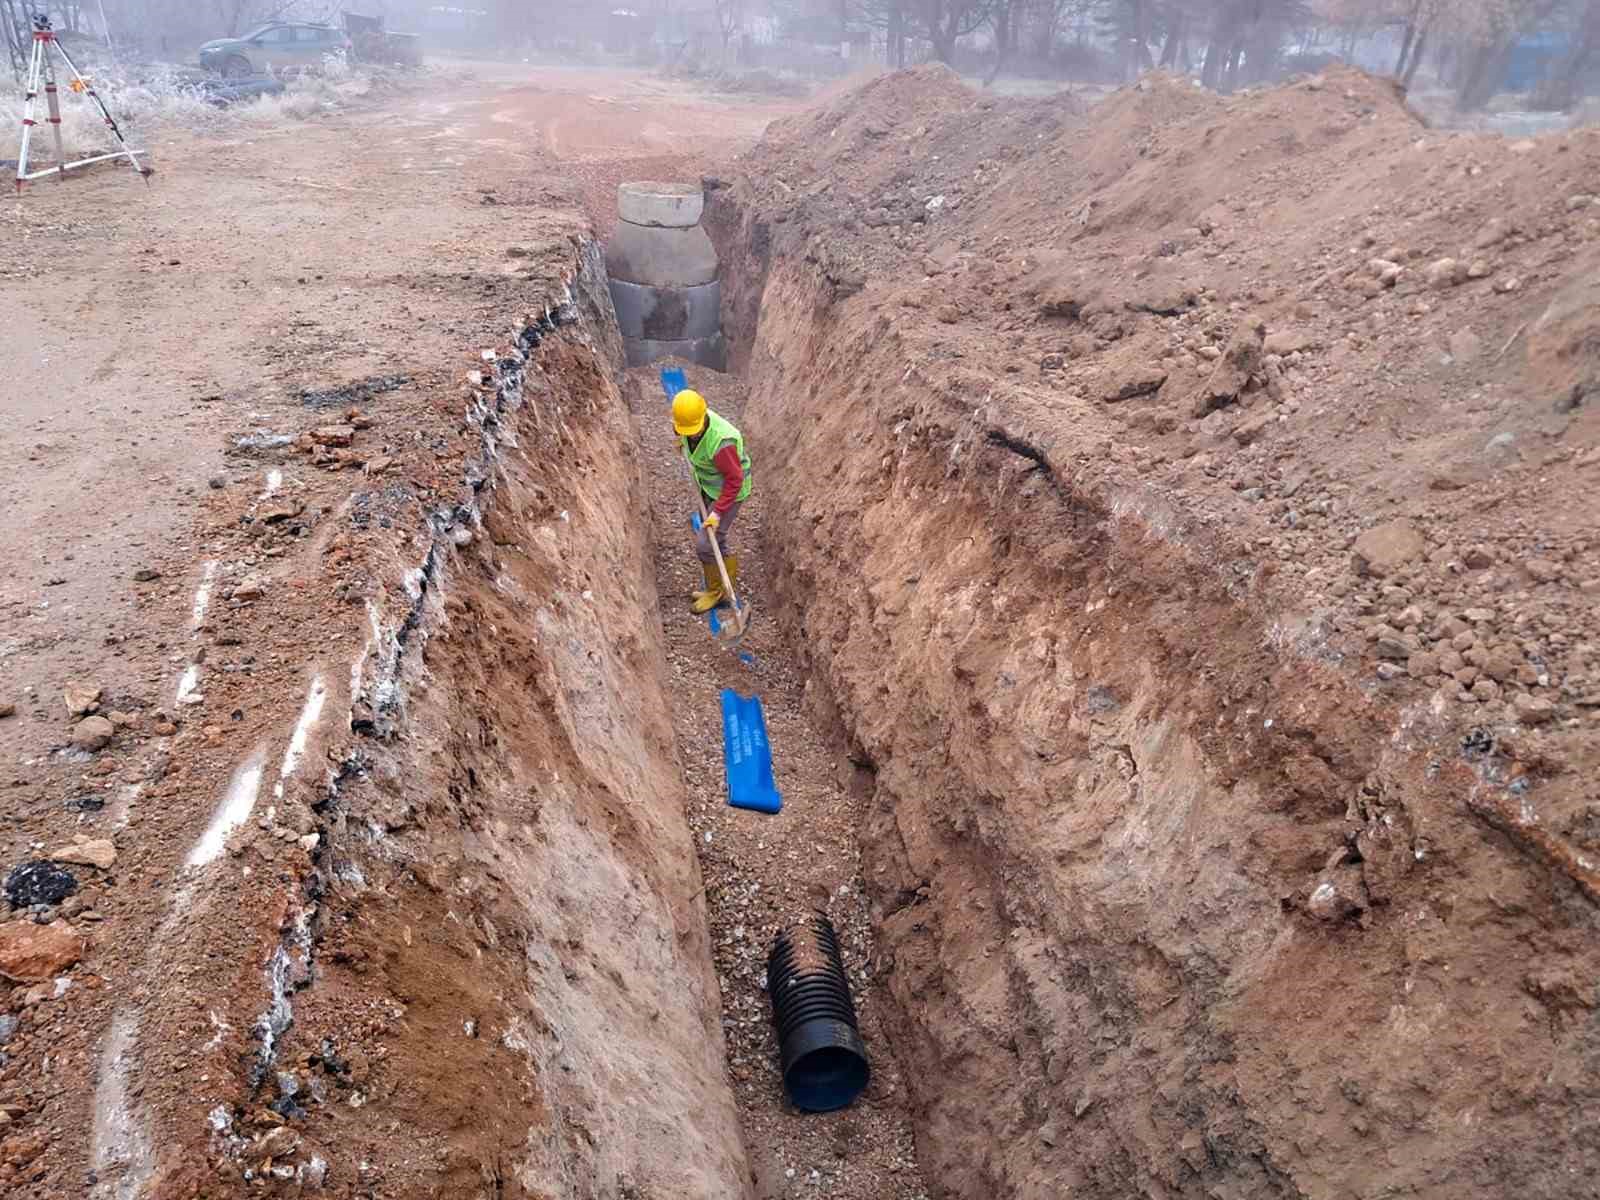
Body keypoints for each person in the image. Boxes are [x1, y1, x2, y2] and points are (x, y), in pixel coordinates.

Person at [672, 388, 752, 614]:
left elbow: (734, 481)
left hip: (729, 492)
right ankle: (718, 585)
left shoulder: (721, 443)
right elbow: (681, 430)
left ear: (703, 417)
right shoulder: (686, 422)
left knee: (707, 545)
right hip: (709, 485)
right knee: (714, 540)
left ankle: (720, 593)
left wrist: (717, 512)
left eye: (693, 432)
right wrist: (682, 441)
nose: (691, 435)